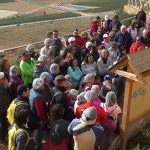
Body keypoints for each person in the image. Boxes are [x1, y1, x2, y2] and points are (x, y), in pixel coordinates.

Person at [29, 78, 48, 150]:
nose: (43, 86)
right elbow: (40, 112)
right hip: (37, 119)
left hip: (33, 115)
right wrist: (44, 120)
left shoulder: (31, 90)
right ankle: (37, 146)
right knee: (38, 134)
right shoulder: (38, 97)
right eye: (42, 85)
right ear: (38, 86)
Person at [0, 72, 11, 144]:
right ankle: (2, 138)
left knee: (5, 123)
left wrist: (7, 86)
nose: (5, 80)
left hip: (5, 108)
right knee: (3, 124)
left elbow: (8, 94)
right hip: (2, 110)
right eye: (3, 79)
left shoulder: (3, 85)